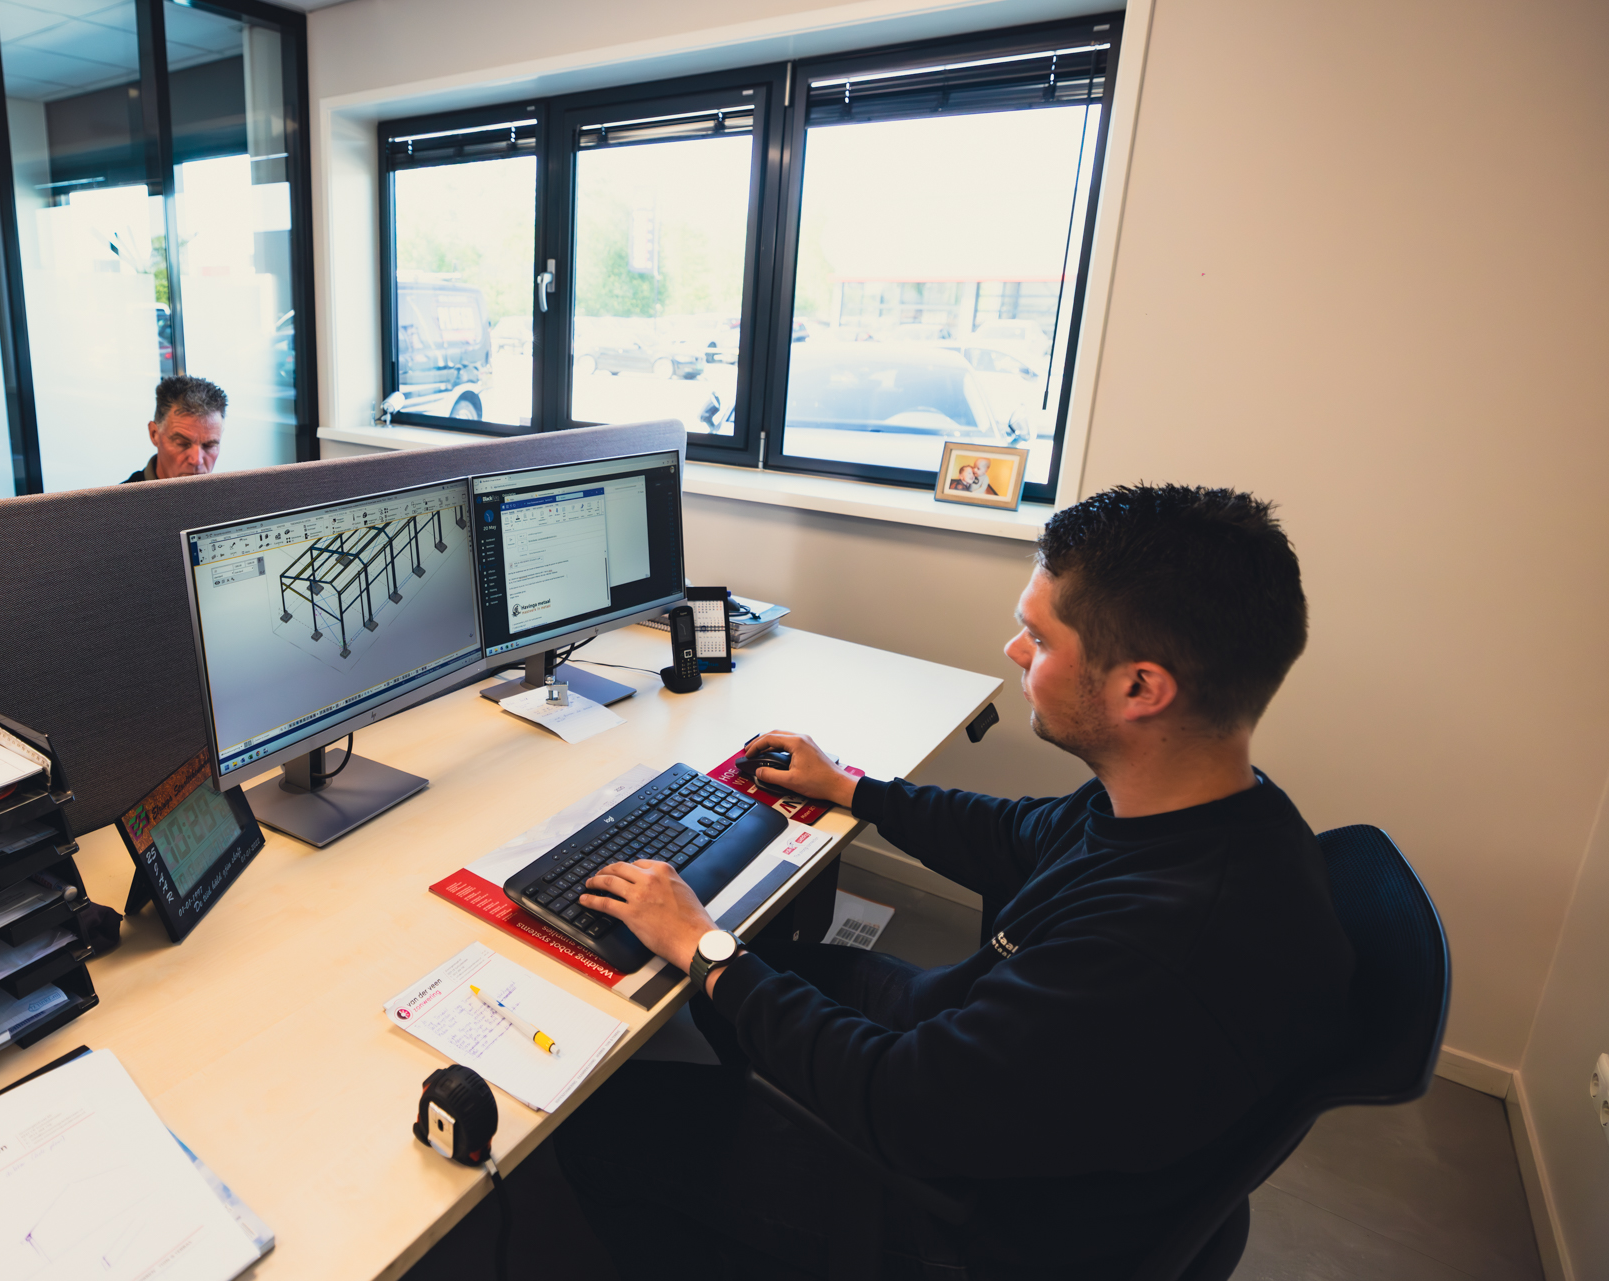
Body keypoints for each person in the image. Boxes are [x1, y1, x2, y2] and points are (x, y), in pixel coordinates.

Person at [554, 484, 1355, 1280]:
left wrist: (705, 943)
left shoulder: (1154, 948)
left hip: (967, 1222)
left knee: (596, 1123)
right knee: (749, 985)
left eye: (1038, 638)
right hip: (981, 1061)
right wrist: (851, 789)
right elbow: (1016, 835)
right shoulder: (1203, 806)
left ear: (1140, 687)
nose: (1014, 651)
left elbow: (899, 1101)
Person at [123, 376, 227, 482]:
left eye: (209, 446)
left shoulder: (231, 492)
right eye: (182, 444)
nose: (197, 460)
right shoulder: (123, 493)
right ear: (154, 434)